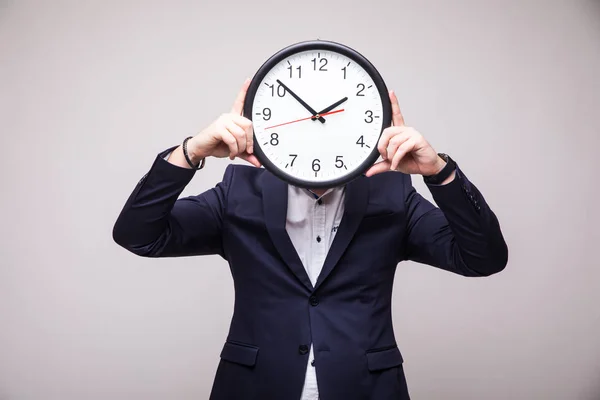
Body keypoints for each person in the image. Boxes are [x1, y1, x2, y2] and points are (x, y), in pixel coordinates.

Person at [112, 79, 508, 400]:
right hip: (254, 388)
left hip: (365, 390)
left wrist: (438, 171)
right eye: (303, 122)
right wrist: (190, 152)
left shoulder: (393, 195)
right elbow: (138, 235)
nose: (318, 131)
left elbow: (483, 258)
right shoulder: (238, 191)